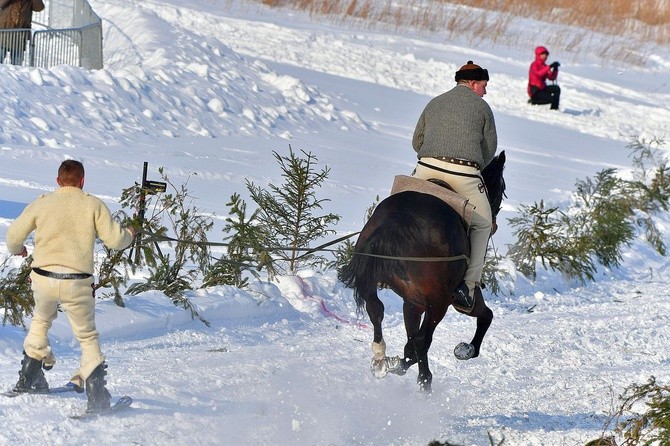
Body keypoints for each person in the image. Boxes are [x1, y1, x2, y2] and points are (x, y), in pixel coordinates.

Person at [5, 159, 135, 413]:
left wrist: (18, 249)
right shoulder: (93, 204)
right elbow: (116, 240)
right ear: (82, 181)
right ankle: (97, 397)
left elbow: (12, 236)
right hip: (77, 282)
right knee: (86, 336)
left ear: (58, 181)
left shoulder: (42, 203)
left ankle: (28, 378)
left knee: (41, 321)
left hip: (42, 278)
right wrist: (129, 234)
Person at [411, 60, 498, 311]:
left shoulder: (434, 102)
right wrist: (472, 163)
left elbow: (417, 141)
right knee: (483, 223)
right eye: (483, 85)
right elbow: (489, 150)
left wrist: (432, 156)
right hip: (463, 173)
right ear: (472, 84)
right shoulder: (482, 108)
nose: (485, 91)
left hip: (425, 168)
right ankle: (469, 286)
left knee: (397, 203)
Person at [0, 0, 44, 66]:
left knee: (17, 66)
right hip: (4, 32)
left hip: (20, 34)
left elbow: (39, 8)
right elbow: (1, 3)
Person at [527, 46, 561, 110]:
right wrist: (550, 66)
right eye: (543, 54)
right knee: (552, 99)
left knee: (556, 88)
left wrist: (555, 69)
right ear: (538, 55)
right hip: (535, 90)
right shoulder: (534, 65)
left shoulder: (545, 66)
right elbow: (539, 74)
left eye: (546, 54)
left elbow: (552, 77)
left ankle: (554, 108)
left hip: (542, 88)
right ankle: (533, 101)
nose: (545, 56)